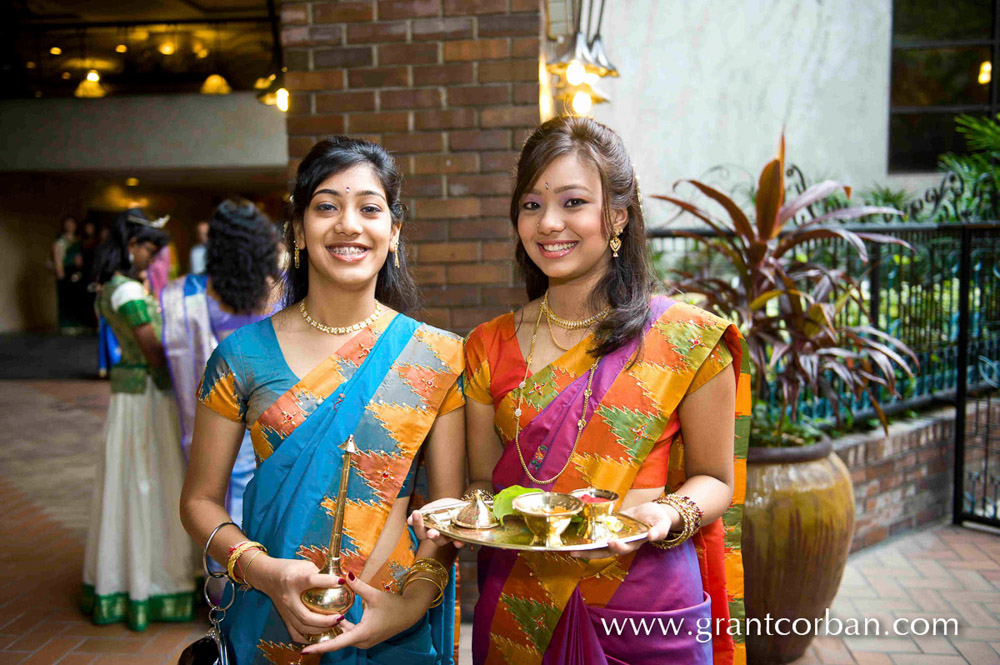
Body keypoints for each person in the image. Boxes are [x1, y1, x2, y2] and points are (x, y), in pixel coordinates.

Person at [423, 116, 750, 665]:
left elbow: (716, 479)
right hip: (521, 609)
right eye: (531, 205)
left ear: (617, 215)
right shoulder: (487, 346)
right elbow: (483, 481)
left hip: (646, 603)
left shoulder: (687, 339)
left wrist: (667, 516)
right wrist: (459, 515)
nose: (549, 223)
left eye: (573, 202)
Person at [180, 136, 466, 665]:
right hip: (270, 611)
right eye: (327, 206)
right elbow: (198, 501)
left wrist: (408, 607)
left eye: (370, 208)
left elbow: (446, 516)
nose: (349, 225)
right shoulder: (240, 357)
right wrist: (264, 572)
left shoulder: (438, 357)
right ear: (297, 231)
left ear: (393, 232)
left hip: (393, 620)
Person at [83, 207, 198, 630]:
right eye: (150, 248)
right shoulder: (128, 291)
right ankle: (152, 581)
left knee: (134, 482)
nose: (153, 257)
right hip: (147, 396)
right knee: (150, 480)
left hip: (129, 396)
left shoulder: (114, 285)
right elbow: (151, 348)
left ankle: (131, 576)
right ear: (132, 246)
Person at [161, 198, 283, 535]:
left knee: (226, 482)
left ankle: (227, 572)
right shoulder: (283, 288)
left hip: (223, 398)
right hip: (277, 399)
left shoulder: (195, 293)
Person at [52, 215, 86, 334]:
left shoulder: (79, 240)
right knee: (65, 297)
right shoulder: (61, 240)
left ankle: (77, 323)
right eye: (67, 223)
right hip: (65, 270)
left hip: (76, 270)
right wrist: (60, 272)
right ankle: (65, 324)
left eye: (72, 223)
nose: (69, 226)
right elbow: (57, 256)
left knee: (76, 297)